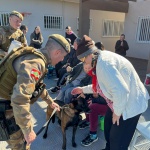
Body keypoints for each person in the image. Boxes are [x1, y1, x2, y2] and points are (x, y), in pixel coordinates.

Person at [71, 35, 149, 150]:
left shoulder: (104, 65)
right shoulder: (99, 60)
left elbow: (121, 92)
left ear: (89, 55)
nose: (84, 64)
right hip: (119, 102)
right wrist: (82, 89)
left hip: (130, 105)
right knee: (108, 128)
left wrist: (117, 113)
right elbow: (101, 87)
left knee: (118, 140)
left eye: (83, 60)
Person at [0, 34, 70, 150]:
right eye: (63, 57)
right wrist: (27, 130)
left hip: (10, 105)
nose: (62, 60)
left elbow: (36, 87)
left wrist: (50, 102)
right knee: (20, 146)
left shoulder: (36, 56)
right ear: (57, 52)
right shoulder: (36, 64)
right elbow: (20, 99)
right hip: (7, 109)